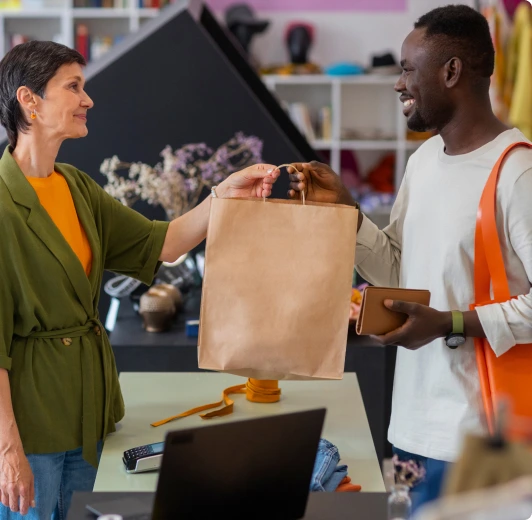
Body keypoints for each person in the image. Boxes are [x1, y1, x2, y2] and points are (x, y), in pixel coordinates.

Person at [0, 40, 280, 519]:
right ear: (29, 100)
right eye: (73, 87)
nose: (88, 100)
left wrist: (224, 195)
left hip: (90, 412)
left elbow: (164, 242)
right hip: (31, 424)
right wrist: (7, 450)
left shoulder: (77, 187)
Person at [288, 4, 532, 508]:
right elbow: (400, 269)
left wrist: (450, 323)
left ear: (451, 72)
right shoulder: (423, 162)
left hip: (482, 435)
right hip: (413, 426)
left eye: (406, 68)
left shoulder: (518, 173)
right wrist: (347, 215)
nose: (398, 84)